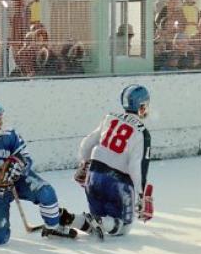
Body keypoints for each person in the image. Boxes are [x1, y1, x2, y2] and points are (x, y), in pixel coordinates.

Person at [0, 101, 76, 245]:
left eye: (0, 117)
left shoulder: (9, 134)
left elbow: (26, 157)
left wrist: (18, 162)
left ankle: (53, 227)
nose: (0, 121)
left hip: (17, 180)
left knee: (46, 192)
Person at [65, 84, 153, 238]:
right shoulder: (142, 133)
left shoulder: (109, 117)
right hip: (117, 183)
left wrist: (83, 164)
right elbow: (136, 167)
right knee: (123, 227)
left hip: (93, 176)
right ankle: (98, 220)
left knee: (96, 225)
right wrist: (140, 195)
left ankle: (72, 219)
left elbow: (87, 143)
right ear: (141, 106)